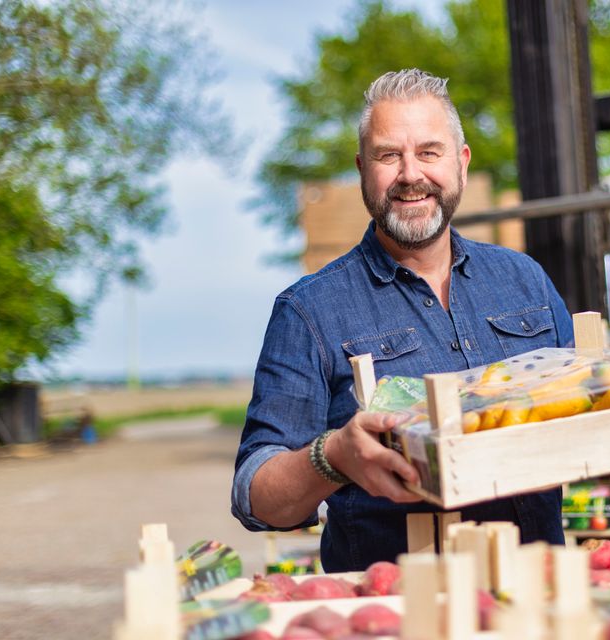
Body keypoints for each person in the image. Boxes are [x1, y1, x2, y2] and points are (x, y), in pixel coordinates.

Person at [232, 68, 574, 572]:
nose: (411, 174)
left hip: (538, 597)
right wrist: (332, 457)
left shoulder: (525, 281)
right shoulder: (308, 311)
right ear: (362, 171)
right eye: (389, 155)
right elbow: (254, 497)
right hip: (396, 612)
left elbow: (584, 412)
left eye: (429, 152)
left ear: (460, 163)